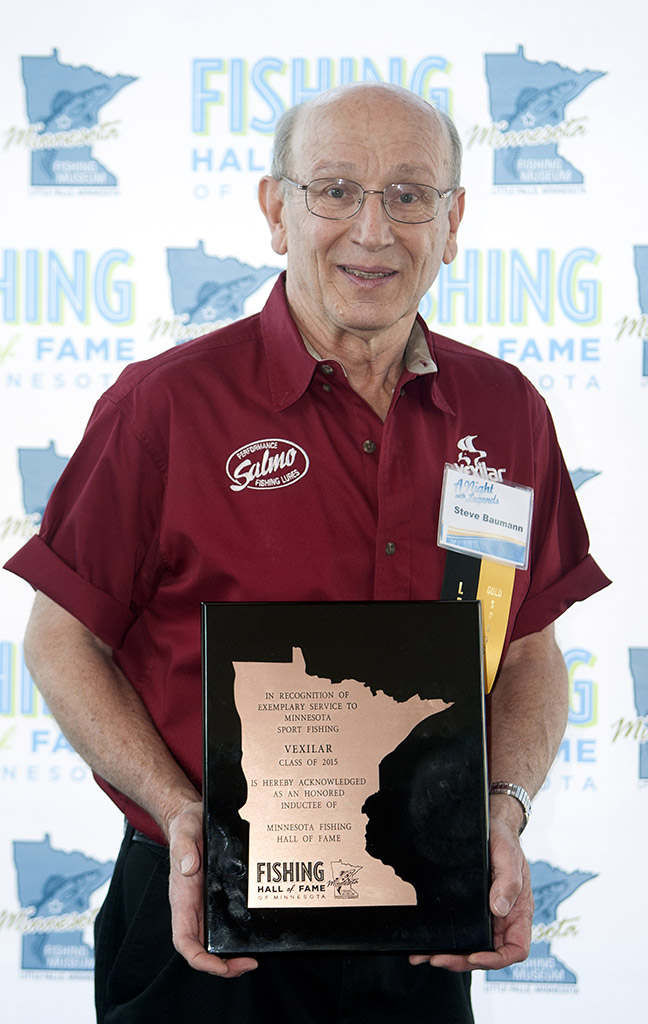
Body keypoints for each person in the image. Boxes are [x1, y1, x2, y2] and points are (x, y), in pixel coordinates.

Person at [4, 83, 609, 1023]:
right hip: (202, 922)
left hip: (424, 918)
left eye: (411, 195)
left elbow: (528, 650)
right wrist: (180, 814)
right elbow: (60, 639)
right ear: (275, 209)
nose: (373, 229)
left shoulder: (507, 413)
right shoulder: (164, 406)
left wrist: (505, 806)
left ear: (453, 224)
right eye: (335, 189)